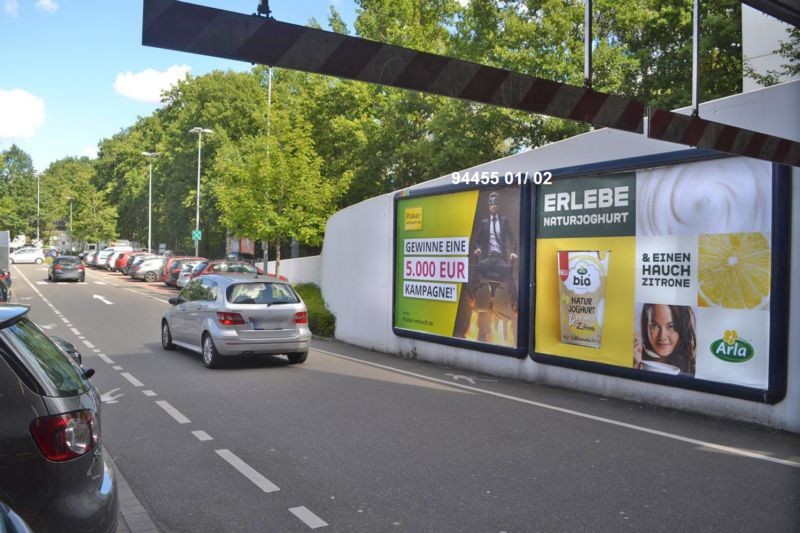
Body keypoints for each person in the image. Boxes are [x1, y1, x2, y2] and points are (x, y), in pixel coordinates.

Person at [634, 304, 696, 375]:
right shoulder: (636, 357)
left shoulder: (692, 369)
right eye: (654, 326)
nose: (662, 336)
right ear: (646, 327)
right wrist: (636, 365)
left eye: (671, 326)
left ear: (683, 328)